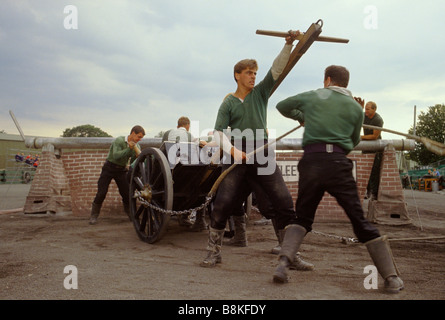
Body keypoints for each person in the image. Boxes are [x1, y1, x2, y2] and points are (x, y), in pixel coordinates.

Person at [273, 65, 404, 293]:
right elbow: (353, 141)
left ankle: (283, 264)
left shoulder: (315, 95)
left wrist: (304, 117)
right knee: (358, 220)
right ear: (346, 83)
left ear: (328, 79)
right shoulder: (355, 108)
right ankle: (391, 278)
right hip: (337, 164)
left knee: (302, 217)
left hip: (311, 161)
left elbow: (282, 106)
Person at [200, 31, 309, 269]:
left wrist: (288, 44)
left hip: (262, 153)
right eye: (248, 73)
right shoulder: (228, 102)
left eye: (255, 73)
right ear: (237, 75)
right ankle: (213, 253)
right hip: (236, 155)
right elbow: (219, 132)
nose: (253, 76)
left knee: (283, 202)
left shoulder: (261, 93)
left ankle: (289, 255)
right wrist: (234, 152)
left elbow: (277, 70)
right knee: (222, 204)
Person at [89, 125, 145, 225]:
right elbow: (116, 155)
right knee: (101, 192)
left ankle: (131, 215)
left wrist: (136, 157)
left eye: (141, 138)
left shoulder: (137, 146)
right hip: (109, 168)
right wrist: (129, 149)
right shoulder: (119, 140)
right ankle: (94, 215)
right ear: (132, 134)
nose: (139, 140)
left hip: (121, 170)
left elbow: (132, 163)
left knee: (127, 194)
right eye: (139, 137)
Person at [358, 100, 384, 200]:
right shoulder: (364, 116)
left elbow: (374, 136)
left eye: (368, 109)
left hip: (375, 149)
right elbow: (356, 117)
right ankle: (366, 191)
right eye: (365, 109)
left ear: (374, 109)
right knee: (364, 170)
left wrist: (360, 137)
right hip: (366, 147)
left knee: (374, 172)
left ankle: (375, 194)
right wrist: (359, 108)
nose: (366, 111)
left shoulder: (378, 120)